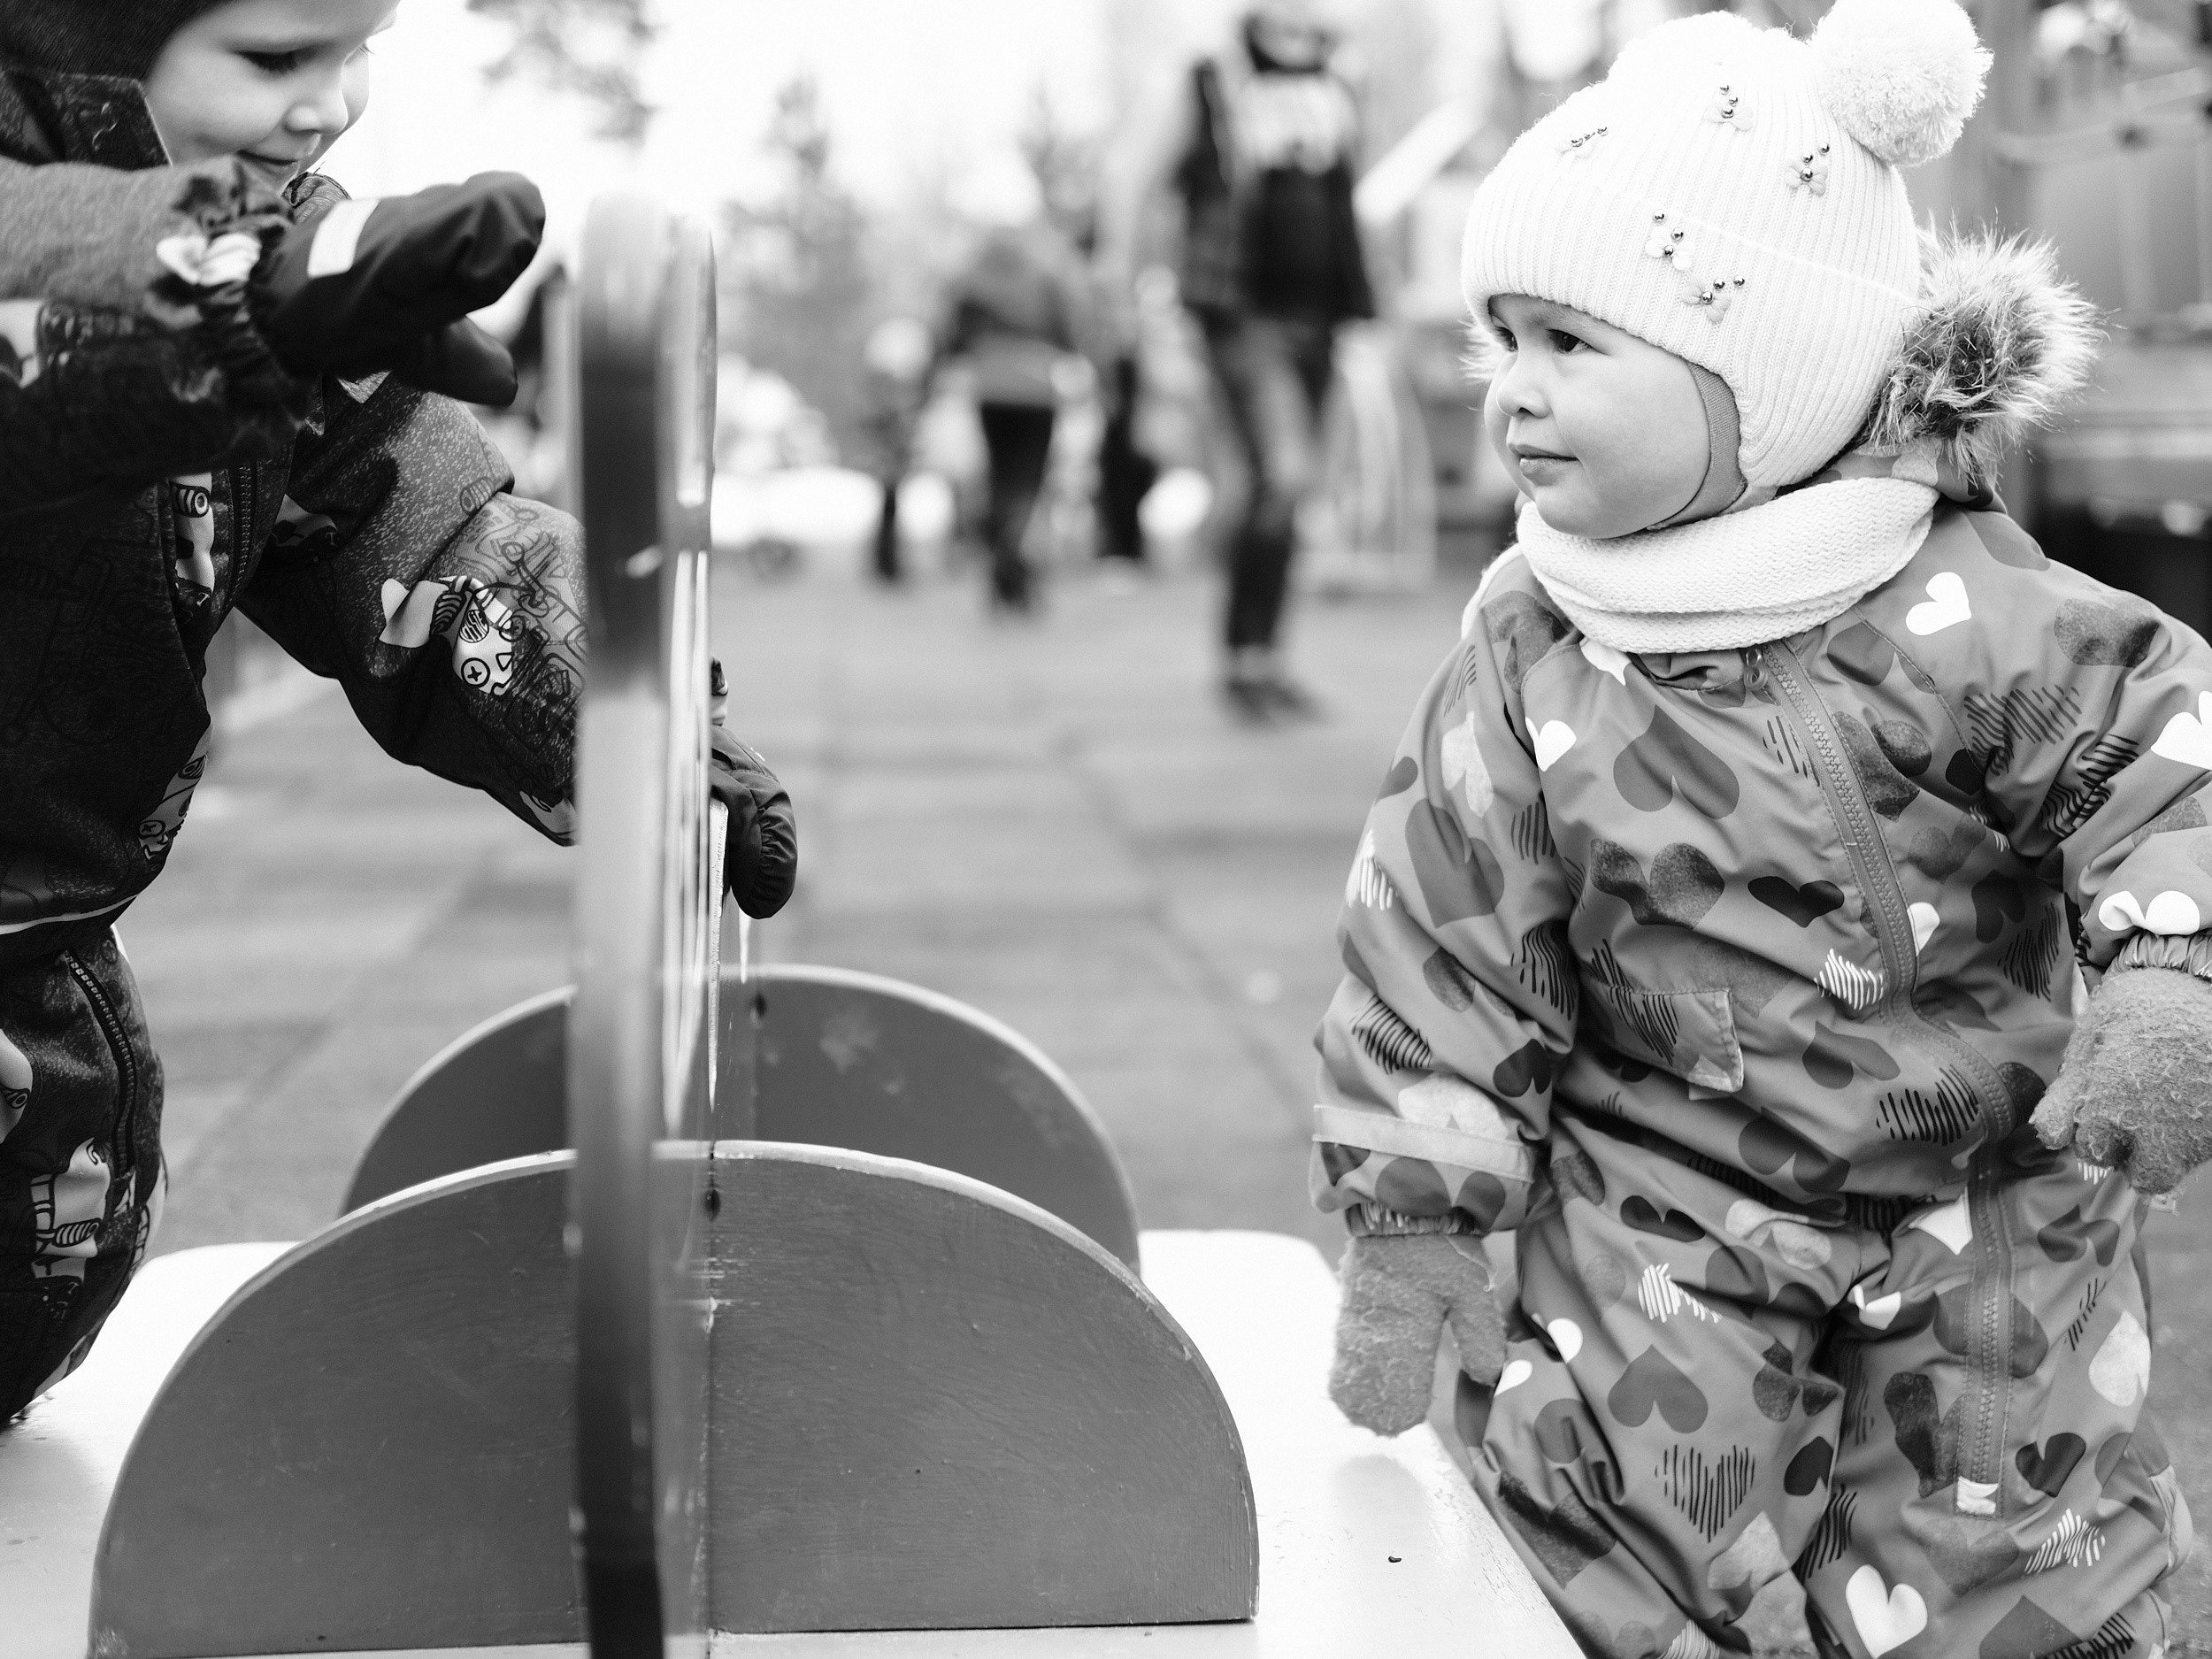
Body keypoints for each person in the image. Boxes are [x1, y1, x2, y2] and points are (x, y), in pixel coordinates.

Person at [1311, 4, 2210, 1655]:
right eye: (1498, 337)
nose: (1513, 391)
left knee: (2016, 1530)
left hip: (1983, 1182)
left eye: (1576, 346)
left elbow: (2160, 751)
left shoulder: (1973, 607)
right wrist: (1423, 1203)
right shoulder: (1532, 641)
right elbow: (1441, 929)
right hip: (1661, 1179)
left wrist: (2167, 969)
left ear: (1770, 361)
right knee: (1616, 1485)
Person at [0, 0, 796, 1422]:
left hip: (37, 960)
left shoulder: (295, 272)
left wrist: (617, 711)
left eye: (359, 48)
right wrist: (219, 287)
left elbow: (415, 542)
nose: (332, 105)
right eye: (273, 60)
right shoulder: (240, 272)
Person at [1101, 0, 1373, 722]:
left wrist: (1381, 306)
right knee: (1282, 475)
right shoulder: (1208, 80)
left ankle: (1262, 659)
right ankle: (1243, 656)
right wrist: (1123, 291)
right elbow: (1132, 179)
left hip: (1322, 317)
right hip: (1241, 316)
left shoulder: (1340, 82)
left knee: (1290, 488)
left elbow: (1350, 204)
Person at [940, 210, 1092, 613]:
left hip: (990, 386)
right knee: (1028, 480)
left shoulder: (974, 281)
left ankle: (1004, 568)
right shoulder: (1042, 277)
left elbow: (951, 335)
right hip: (1036, 389)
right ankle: (1013, 555)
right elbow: (1069, 330)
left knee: (1001, 475)